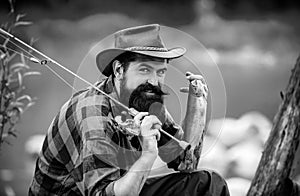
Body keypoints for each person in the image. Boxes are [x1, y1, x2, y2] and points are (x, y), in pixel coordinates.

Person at [29, 24, 229, 196]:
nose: (154, 81)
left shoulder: (145, 99)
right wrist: (149, 154)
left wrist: (198, 102)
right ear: (118, 70)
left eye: (160, 72)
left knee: (207, 183)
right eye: (144, 70)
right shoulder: (92, 115)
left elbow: (186, 163)